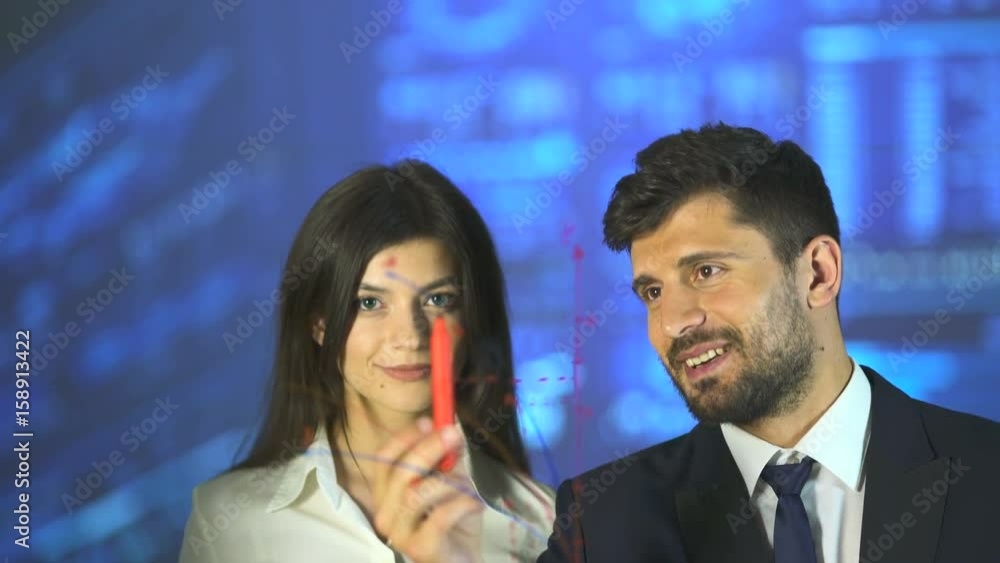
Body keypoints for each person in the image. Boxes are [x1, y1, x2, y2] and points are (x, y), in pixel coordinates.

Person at [536, 123, 1000, 563]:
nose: (673, 322)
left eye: (706, 272)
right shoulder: (603, 523)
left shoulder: (986, 472)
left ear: (818, 273)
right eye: (653, 293)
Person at [178, 161, 555, 563]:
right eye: (370, 303)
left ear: (472, 317)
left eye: (438, 299)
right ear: (318, 322)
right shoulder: (229, 523)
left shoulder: (543, 523)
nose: (410, 336)